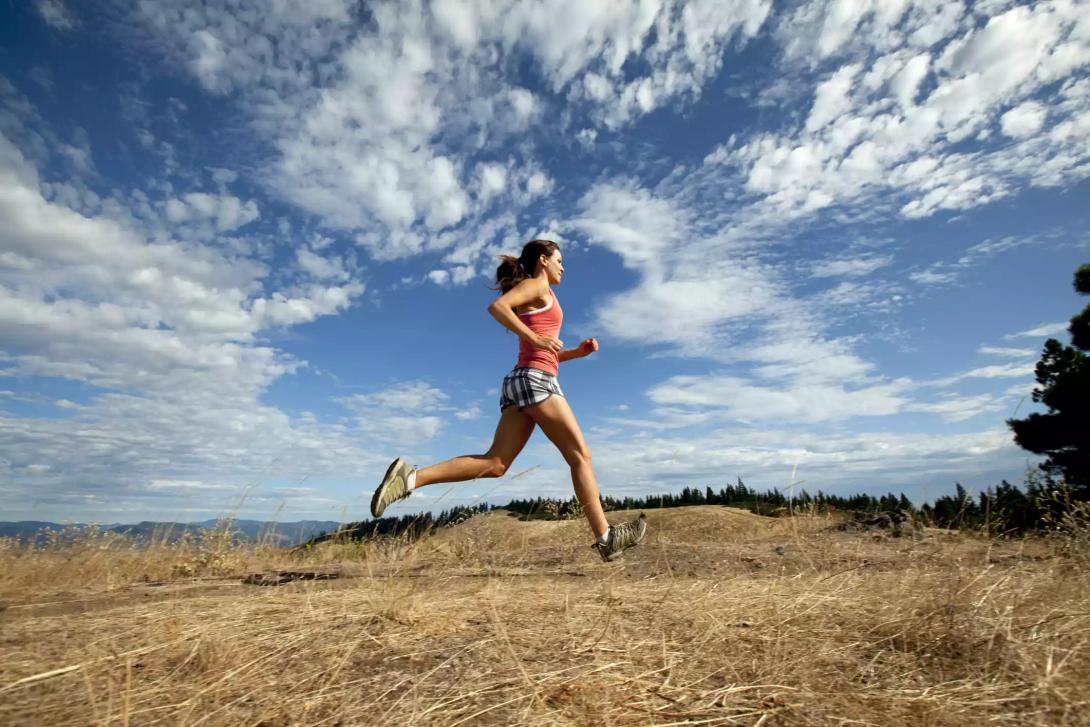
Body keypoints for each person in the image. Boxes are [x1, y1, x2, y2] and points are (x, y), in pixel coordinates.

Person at [369, 239, 647, 562]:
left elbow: (544, 354)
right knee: (580, 456)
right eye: (559, 260)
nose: (563, 266)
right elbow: (497, 308)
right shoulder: (537, 286)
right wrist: (537, 338)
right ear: (543, 260)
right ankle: (606, 538)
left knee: (495, 464)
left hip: (523, 381)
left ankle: (410, 478)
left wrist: (577, 353)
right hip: (536, 381)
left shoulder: (542, 293)